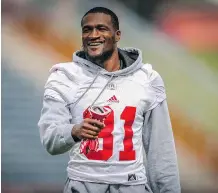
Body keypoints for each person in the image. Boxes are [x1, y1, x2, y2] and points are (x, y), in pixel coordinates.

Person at [38, 7, 181, 193]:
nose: (93, 35)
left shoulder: (147, 79)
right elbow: (50, 138)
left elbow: (161, 151)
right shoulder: (64, 76)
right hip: (82, 186)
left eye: (101, 28)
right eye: (87, 30)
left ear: (117, 35)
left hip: (132, 186)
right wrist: (74, 130)